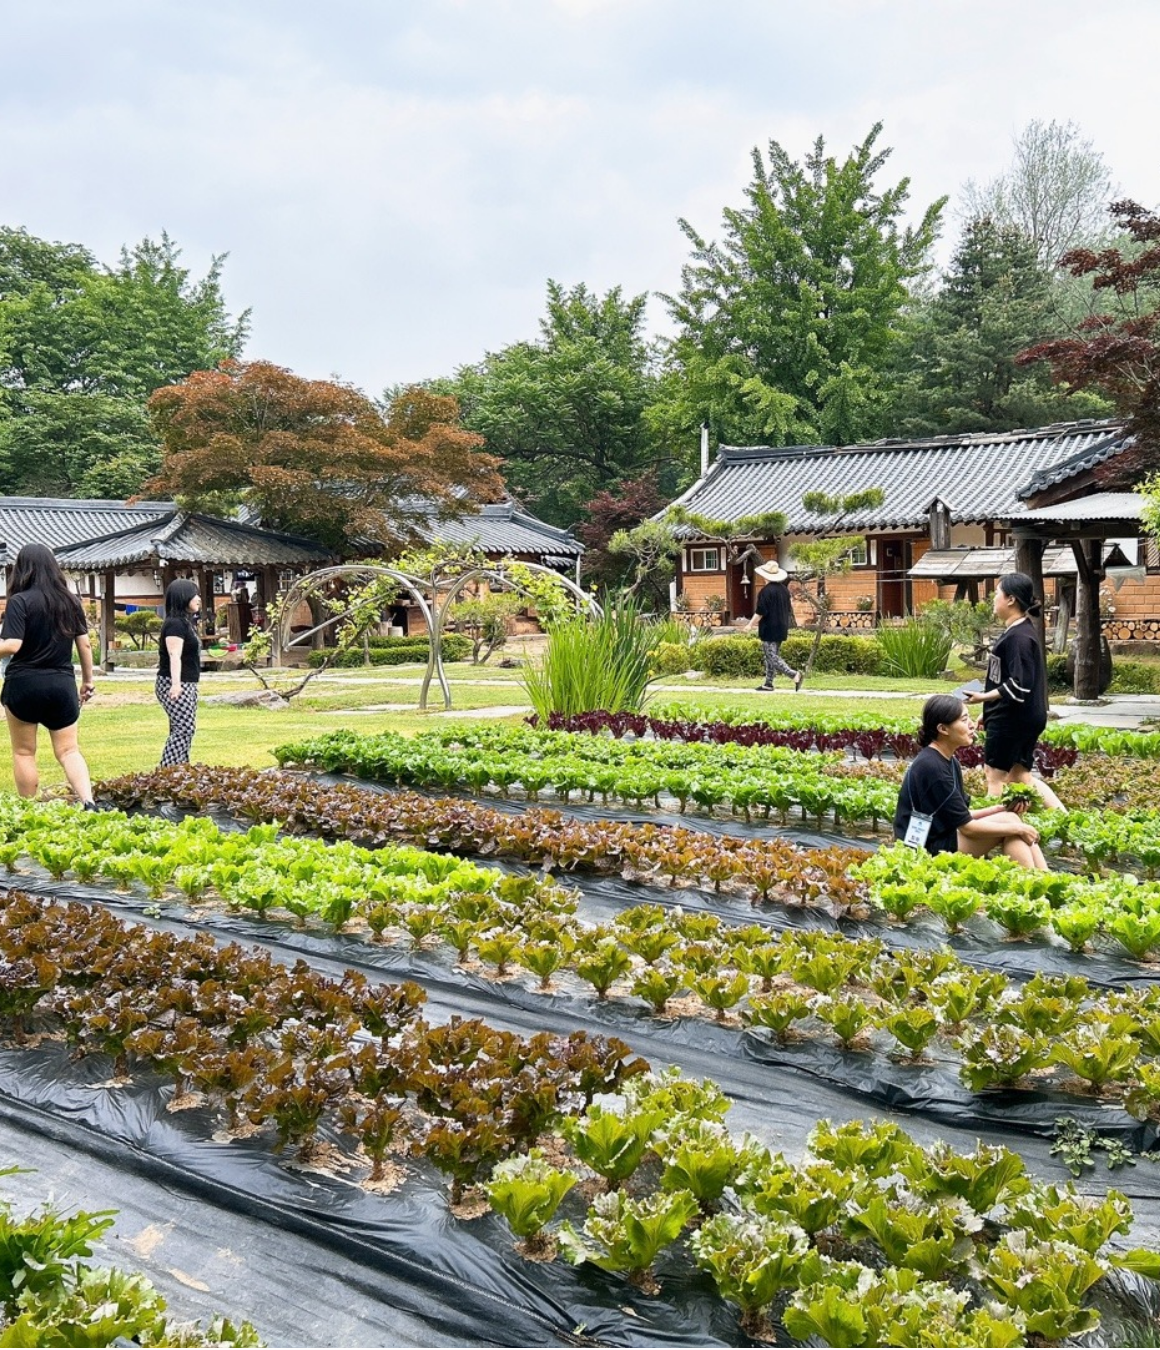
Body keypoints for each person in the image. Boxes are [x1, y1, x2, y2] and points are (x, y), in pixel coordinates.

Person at [894, 694, 1046, 869]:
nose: (972, 724)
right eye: (964, 720)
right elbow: (968, 828)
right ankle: (1036, 884)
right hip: (922, 848)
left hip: (938, 835)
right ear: (943, 729)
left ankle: (1043, 878)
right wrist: (1019, 828)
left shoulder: (948, 761)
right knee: (1012, 827)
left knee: (1010, 818)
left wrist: (1000, 809)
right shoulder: (932, 767)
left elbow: (961, 816)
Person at [0, 542, 97, 806]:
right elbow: (85, 644)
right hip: (61, 683)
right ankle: (88, 802)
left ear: (21, 570)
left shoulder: (19, 602)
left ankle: (28, 809)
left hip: (24, 684)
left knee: (23, 752)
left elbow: (12, 645)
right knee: (68, 751)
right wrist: (88, 681)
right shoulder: (70, 601)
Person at [963, 571, 1063, 811]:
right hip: (1019, 715)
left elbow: (1020, 684)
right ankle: (1062, 818)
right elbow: (1008, 680)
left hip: (1014, 719)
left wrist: (983, 698)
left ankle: (993, 827)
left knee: (994, 774)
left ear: (1011, 599)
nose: (993, 599)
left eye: (997, 593)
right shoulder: (1019, 632)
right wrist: (988, 711)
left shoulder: (1019, 637)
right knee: (1020, 776)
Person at [157, 579, 203, 766]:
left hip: (187, 682)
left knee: (186, 728)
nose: (199, 599)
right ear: (183, 597)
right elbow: (174, 654)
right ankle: (166, 769)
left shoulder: (185, 622)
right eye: (195, 595)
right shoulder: (175, 624)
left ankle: (180, 768)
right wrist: (176, 685)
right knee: (183, 728)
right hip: (175, 683)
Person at [745, 561, 804, 692]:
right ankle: (768, 683)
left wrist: (750, 625)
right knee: (771, 656)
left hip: (769, 628)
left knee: (771, 656)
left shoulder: (765, 592)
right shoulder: (784, 590)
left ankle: (794, 675)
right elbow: (789, 609)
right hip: (782, 627)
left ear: (765, 576)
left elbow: (760, 612)